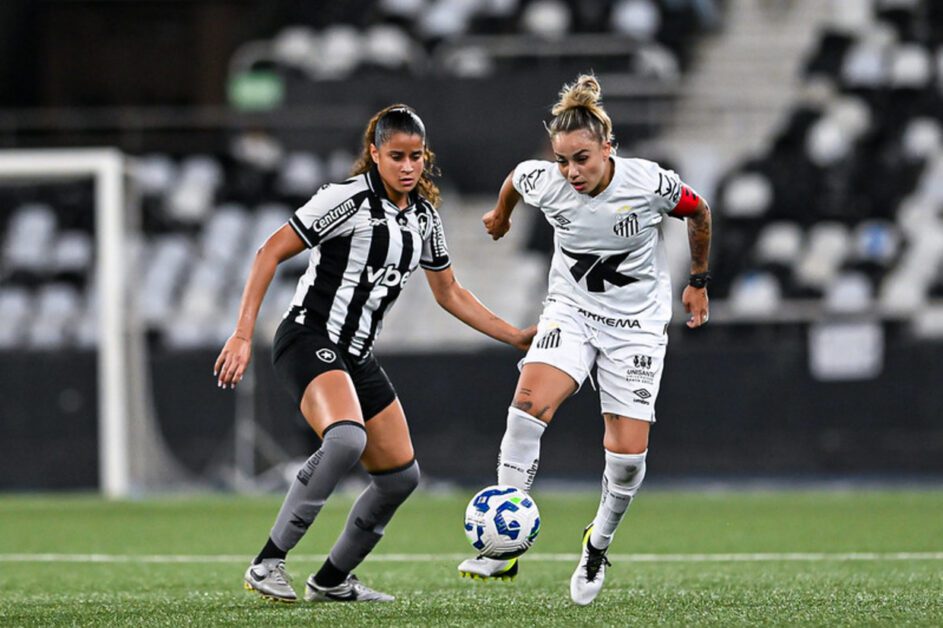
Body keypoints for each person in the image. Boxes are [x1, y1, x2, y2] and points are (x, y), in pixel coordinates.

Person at [214, 104, 535, 604]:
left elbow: (448, 292)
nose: (408, 167)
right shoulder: (344, 200)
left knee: (400, 478)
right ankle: (268, 562)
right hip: (307, 338)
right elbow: (268, 252)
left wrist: (513, 335)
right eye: (396, 156)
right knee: (344, 440)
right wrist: (240, 334)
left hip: (357, 356)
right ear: (374, 154)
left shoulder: (425, 218)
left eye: (416, 157)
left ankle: (331, 580)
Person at [456, 74, 712, 606]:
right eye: (563, 160)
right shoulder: (545, 180)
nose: (571, 171)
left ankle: (597, 543)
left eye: (582, 158)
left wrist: (698, 282)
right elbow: (517, 180)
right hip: (570, 312)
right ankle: (504, 548)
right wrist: (500, 216)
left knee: (626, 461)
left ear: (607, 149)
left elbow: (699, 212)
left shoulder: (648, 183)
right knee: (525, 408)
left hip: (637, 325)